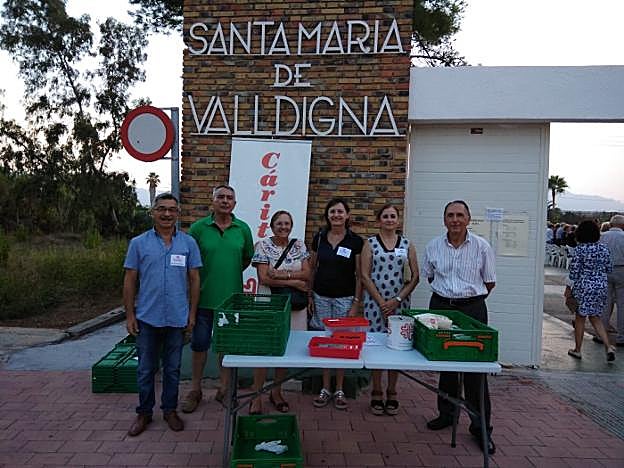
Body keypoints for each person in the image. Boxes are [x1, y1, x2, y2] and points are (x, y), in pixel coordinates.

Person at [123, 193, 202, 437]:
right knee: (145, 369)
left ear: (178, 214)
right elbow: (130, 279)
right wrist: (129, 315)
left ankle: (169, 410)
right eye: (162, 209)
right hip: (147, 317)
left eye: (172, 210)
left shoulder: (188, 243)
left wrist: (192, 313)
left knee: (173, 369)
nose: (167, 214)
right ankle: (144, 412)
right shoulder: (138, 243)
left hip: (177, 317)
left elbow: (194, 279)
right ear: (153, 212)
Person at [422, 200, 497, 455]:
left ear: (468, 219)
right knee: (446, 363)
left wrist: (468, 301)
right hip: (441, 307)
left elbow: (489, 282)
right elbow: (430, 276)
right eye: (450, 215)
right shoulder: (433, 246)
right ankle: (447, 414)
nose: (455, 220)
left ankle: (480, 428)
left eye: (459, 215)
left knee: (475, 369)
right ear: (444, 219)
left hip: (472, 309)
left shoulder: (482, 247)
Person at [181, 185, 254, 413]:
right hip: (203, 299)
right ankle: (195, 389)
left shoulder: (243, 229)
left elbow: (246, 259)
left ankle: (224, 388)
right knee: (199, 345)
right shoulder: (198, 229)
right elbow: (189, 263)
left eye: (229, 198)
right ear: (212, 201)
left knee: (226, 347)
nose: (225, 201)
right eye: (220, 197)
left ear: (234, 203)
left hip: (232, 302)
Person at [249, 210, 311, 414]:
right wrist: (294, 281)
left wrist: (281, 275)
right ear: (272, 226)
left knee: (286, 348)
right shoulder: (262, 246)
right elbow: (264, 278)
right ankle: (256, 395)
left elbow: (307, 274)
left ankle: (277, 392)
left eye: (287, 224)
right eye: (279, 223)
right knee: (264, 348)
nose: (284, 227)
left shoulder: (299, 245)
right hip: (268, 303)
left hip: (294, 306)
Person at [361, 204, 420, 415]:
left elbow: (415, 276)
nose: (389, 219)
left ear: (398, 220)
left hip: (400, 304)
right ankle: (376, 389)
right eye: (385, 216)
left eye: (392, 216)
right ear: (379, 220)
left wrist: (396, 300)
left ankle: (392, 390)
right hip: (374, 304)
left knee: (398, 346)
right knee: (376, 347)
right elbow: (364, 275)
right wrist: (381, 302)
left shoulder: (407, 244)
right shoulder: (370, 244)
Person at [309, 198, 363, 410]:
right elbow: (312, 268)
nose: (336, 215)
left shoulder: (355, 241)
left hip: (345, 298)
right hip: (321, 296)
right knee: (325, 341)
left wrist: (356, 302)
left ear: (347, 215)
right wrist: (309, 295)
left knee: (341, 342)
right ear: (327, 215)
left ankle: (339, 388)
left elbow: (360, 275)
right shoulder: (319, 238)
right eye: (332, 211)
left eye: (340, 212)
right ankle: (325, 387)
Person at [565, 220, 615, 361]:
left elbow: (574, 272)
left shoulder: (580, 249)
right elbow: (609, 268)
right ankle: (608, 346)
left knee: (580, 318)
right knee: (595, 317)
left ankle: (578, 350)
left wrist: (568, 288)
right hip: (601, 286)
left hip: (583, 287)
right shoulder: (603, 248)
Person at [597, 215, 624, 346]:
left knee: (605, 303)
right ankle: (621, 336)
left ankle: (601, 333)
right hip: (621, 270)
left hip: (604, 270)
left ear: (611, 224)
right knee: (622, 304)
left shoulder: (602, 236)